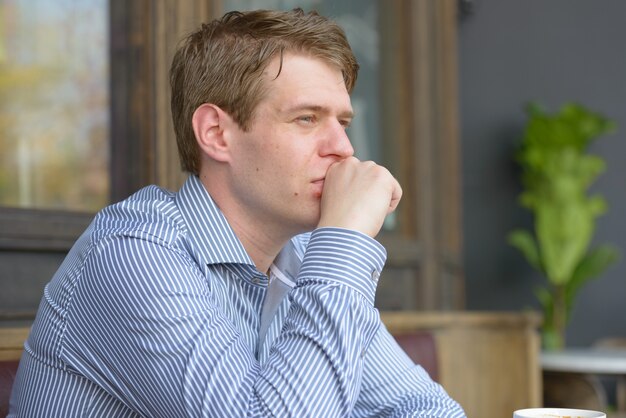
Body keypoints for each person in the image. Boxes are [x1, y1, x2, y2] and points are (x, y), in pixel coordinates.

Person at [9, 8, 465, 417]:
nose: (344, 149)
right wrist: (345, 239)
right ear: (216, 134)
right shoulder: (132, 256)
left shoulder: (303, 257)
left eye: (342, 123)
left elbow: (424, 407)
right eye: (306, 118)